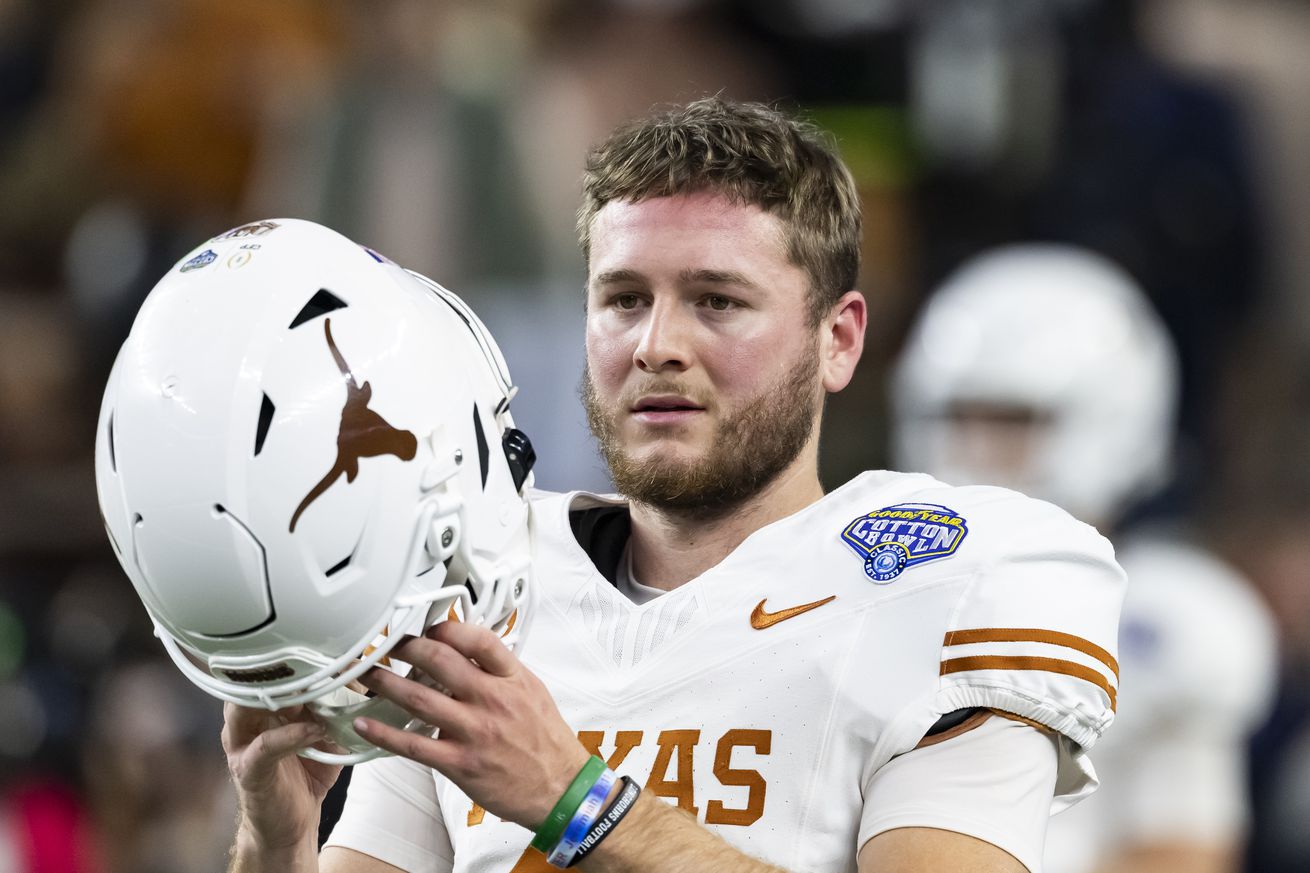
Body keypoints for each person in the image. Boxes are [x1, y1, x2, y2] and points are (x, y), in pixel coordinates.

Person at [209, 98, 1124, 873]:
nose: (656, 345)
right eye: (624, 299)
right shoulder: (476, 586)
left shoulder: (950, 583)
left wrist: (577, 800)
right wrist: (277, 840)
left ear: (837, 339)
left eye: (717, 300)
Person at [891, 244, 1278, 873]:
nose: (977, 448)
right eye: (961, 416)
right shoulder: (872, 587)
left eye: (1013, 421)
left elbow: (1176, 859)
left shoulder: (1163, 619)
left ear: (1112, 415)